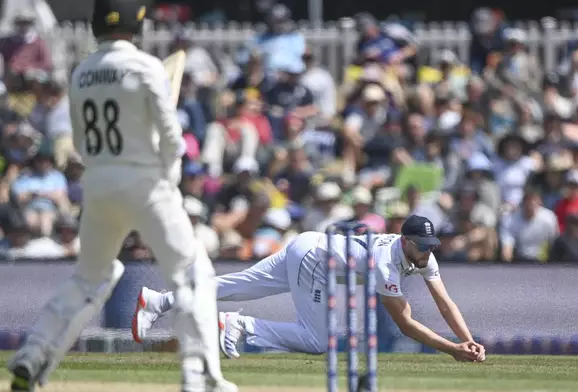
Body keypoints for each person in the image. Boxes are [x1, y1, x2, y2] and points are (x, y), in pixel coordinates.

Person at [7, 1, 236, 392]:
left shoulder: (81, 74)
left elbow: (80, 142)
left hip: (98, 185)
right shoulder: (146, 66)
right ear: (138, 26)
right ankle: (198, 376)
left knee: (88, 279)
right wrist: (169, 176)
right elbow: (170, 138)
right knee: (192, 274)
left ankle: (34, 354)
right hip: (145, 183)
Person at [133, 215, 486, 363]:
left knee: (238, 286)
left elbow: (445, 303)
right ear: (406, 241)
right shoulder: (386, 262)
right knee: (318, 341)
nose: (428, 250)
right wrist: (451, 350)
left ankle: (159, 300)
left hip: (309, 245)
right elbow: (405, 323)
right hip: (316, 259)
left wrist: (466, 339)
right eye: (422, 245)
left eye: (431, 244)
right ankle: (242, 326)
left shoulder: (423, 256)